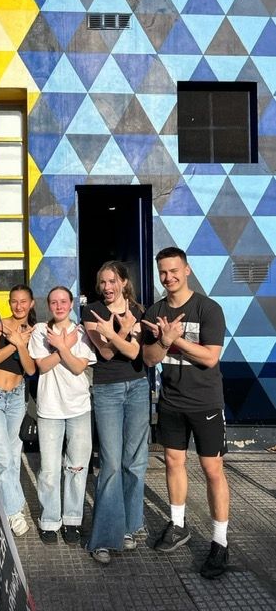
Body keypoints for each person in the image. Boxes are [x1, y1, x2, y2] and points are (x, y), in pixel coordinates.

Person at [142, 246, 229, 579]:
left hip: (206, 402)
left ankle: (220, 542)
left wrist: (175, 341)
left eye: (174, 270)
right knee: (174, 463)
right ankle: (178, 525)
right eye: (163, 272)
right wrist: (163, 341)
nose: (169, 277)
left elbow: (210, 358)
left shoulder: (209, 308)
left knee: (212, 470)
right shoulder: (156, 310)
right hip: (171, 402)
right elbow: (150, 359)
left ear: (187, 270)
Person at [82, 261, 150, 564]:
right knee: (110, 463)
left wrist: (116, 333)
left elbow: (137, 354)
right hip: (108, 390)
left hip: (137, 386)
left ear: (123, 282)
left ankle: (131, 525)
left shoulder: (140, 310)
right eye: (102, 282)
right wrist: (122, 330)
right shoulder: (91, 310)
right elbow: (107, 352)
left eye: (112, 281)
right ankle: (105, 538)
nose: (107, 288)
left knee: (135, 461)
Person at [28, 286, 96, 546]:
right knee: (48, 469)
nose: (58, 306)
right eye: (54, 302)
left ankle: (72, 520)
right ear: (48, 305)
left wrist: (62, 347)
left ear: (71, 304)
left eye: (63, 301)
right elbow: (41, 366)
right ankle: (49, 520)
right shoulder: (39, 332)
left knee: (76, 467)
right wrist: (60, 348)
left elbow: (79, 367)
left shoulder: (81, 332)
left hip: (78, 408)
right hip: (49, 410)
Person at [0, 284, 36, 536]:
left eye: (23, 301)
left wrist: (22, 345)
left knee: (12, 457)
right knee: (0, 457)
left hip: (16, 398)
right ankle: (15, 512)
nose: (18, 306)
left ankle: (5, 507)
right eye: (14, 301)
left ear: (31, 303)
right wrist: (13, 344)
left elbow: (31, 369)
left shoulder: (35, 331)